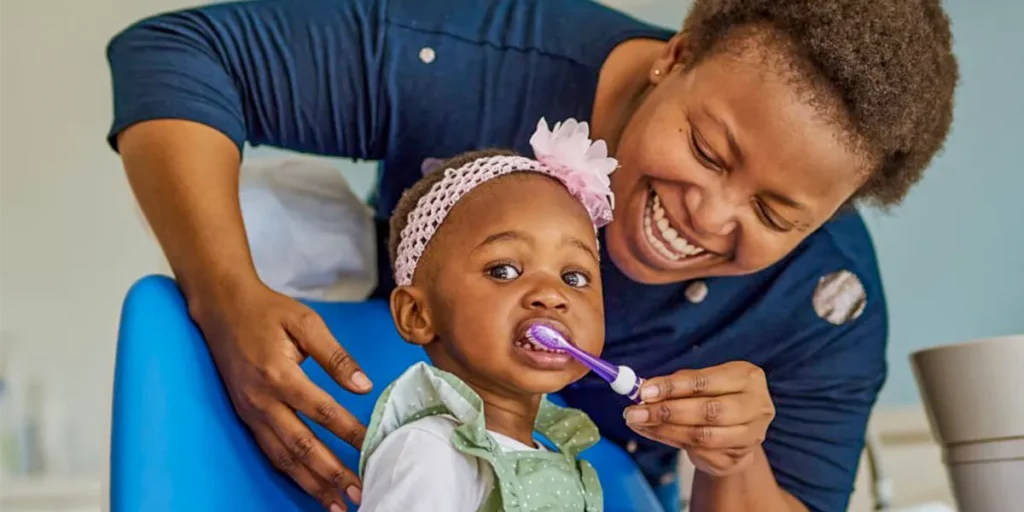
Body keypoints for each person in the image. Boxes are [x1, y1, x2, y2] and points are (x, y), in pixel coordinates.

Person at [104, 0, 958, 510]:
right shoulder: (478, 59)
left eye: (775, 211)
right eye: (706, 149)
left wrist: (733, 464)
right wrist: (224, 294)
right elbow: (178, 54)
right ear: (678, 54)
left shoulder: (828, 305)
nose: (710, 215)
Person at [359, 118, 615, 512]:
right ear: (417, 313)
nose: (551, 294)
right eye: (504, 271)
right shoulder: (430, 452)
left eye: (574, 276)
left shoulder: (557, 459)